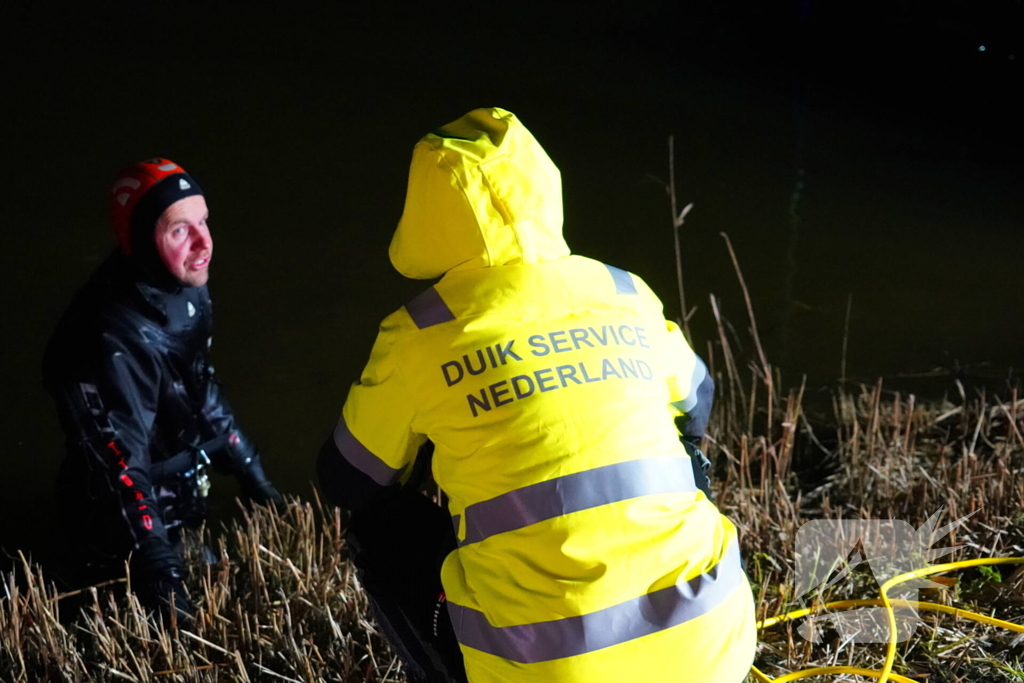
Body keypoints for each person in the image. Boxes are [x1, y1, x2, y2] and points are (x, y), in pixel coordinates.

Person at [317, 108, 755, 683]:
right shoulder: (623, 290)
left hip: (543, 672)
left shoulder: (418, 333)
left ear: (425, 215)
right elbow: (700, 399)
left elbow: (346, 480)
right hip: (714, 648)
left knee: (378, 523)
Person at [43, 158, 282, 620]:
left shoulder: (185, 285)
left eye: (204, 221)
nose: (203, 242)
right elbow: (119, 468)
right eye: (179, 230)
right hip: (116, 528)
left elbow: (198, 387)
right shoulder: (107, 338)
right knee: (120, 620)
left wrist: (254, 475)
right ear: (140, 244)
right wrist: (159, 569)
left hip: (179, 493)